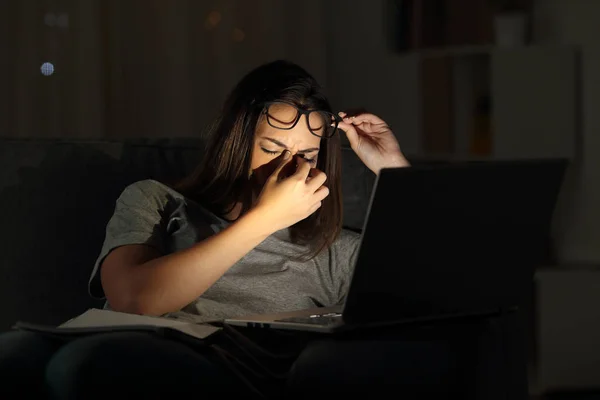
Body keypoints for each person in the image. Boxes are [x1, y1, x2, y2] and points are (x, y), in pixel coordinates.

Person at [0, 60, 488, 399]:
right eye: (273, 148)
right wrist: (263, 220)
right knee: (14, 356)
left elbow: (457, 288)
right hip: (110, 330)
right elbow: (133, 297)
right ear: (236, 144)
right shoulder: (154, 199)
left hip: (206, 366)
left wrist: (393, 169)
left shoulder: (332, 251)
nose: (290, 166)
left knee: (82, 370)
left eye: (306, 154)